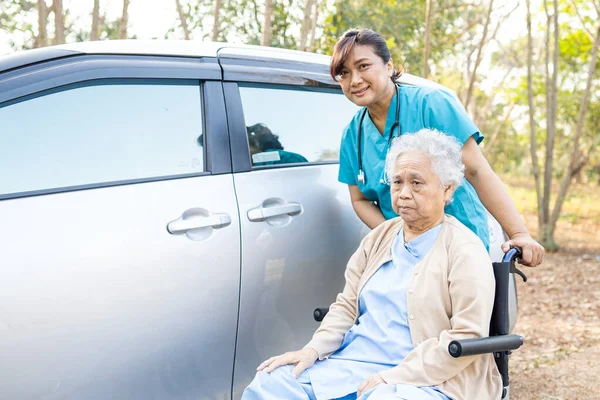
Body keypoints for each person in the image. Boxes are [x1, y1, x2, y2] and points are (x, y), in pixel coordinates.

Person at [241, 129, 502, 400]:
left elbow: (467, 334)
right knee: (271, 382)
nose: (403, 193)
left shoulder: (464, 249)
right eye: (397, 182)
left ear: (447, 188)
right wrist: (313, 349)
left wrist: (392, 378)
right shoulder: (379, 237)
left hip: (429, 379)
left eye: (417, 183)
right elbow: (346, 305)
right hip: (355, 364)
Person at [333, 28, 544, 267]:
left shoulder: (431, 104)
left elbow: (477, 171)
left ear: (388, 66)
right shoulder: (352, 133)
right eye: (344, 73)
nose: (355, 80)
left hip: (459, 245)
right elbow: (360, 199)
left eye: (363, 66)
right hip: (406, 253)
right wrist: (396, 237)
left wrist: (518, 233)